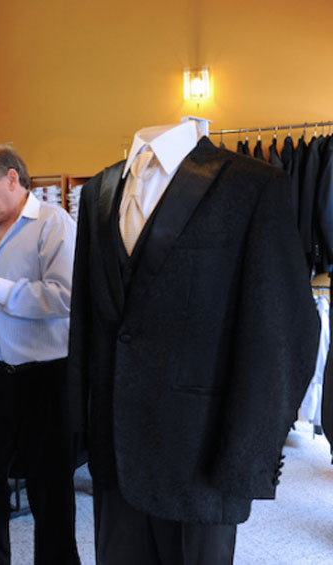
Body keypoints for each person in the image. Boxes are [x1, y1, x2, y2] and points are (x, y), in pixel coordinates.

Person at [68, 120, 320, 564]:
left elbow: (281, 329)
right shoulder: (98, 192)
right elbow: (85, 319)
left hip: (201, 453)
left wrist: (248, 457)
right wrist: (78, 427)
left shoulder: (252, 184)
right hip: (115, 448)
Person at [0, 144, 80, 565]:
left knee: (50, 490)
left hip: (44, 379)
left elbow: (64, 296)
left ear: (12, 178)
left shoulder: (53, 223)